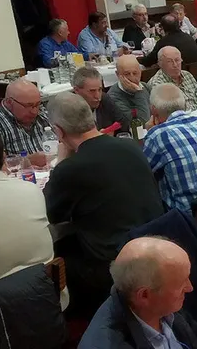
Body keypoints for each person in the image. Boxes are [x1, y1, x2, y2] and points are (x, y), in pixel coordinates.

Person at [44, 92, 162, 316]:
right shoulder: (131, 146)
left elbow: (51, 214)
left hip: (113, 266)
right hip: (153, 246)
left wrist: (60, 161)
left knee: (53, 261)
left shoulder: (70, 169)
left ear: (58, 131)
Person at [79, 237, 197, 349]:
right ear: (144, 295)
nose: (190, 288)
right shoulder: (108, 343)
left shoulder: (161, 303)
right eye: (180, 283)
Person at [143, 83, 197, 212]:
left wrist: (150, 131)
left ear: (153, 110)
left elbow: (142, 173)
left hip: (188, 218)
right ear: (184, 104)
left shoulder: (158, 135)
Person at [0, 131, 53, 281]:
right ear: (4, 157)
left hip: (37, 287)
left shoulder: (29, 189)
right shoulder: (31, 189)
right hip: (47, 287)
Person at [0, 79, 51, 156]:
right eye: (28, 106)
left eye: (38, 104)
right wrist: (27, 160)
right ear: (9, 102)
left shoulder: (43, 114)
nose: (34, 111)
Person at [72, 67, 130, 134]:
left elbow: (124, 124)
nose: (97, 96)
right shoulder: (70, 110)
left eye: (99, 90)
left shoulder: (104, 99)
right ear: (77, 90)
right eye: (92, 91)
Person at [147, 46, 197, 112]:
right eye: (169, 61)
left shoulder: (187, 75)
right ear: (160, 64)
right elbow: (167, 113)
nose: (175, 65)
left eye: (177, 60)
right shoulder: (158, 84)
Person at [107, 55, 151, 125]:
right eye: (127, 74)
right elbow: (143, 122)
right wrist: (138, 92)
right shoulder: (113, 97)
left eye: (135, 73)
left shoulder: (145, 86)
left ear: (140, 71)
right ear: (118, 74)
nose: (132, 78)